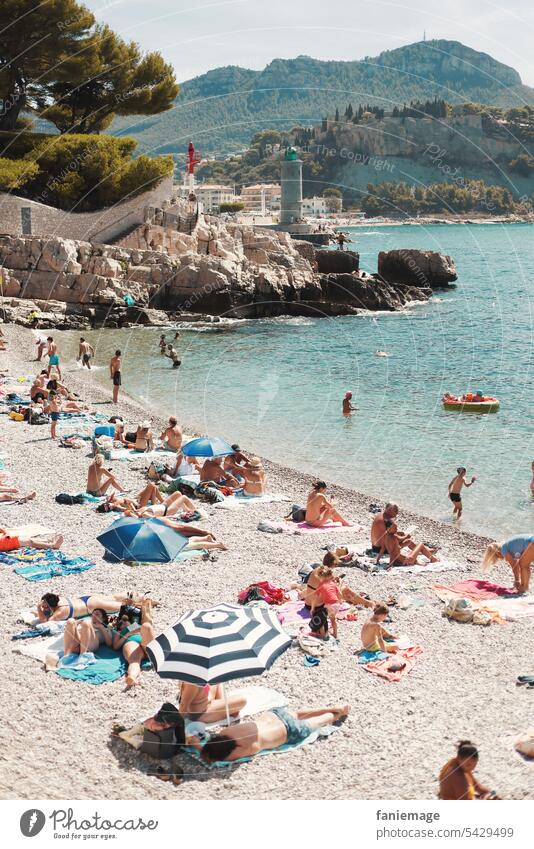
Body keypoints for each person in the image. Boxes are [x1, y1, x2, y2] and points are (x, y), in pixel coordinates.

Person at [195, 705, 350, 763]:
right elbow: (213, 746)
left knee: (318, 722)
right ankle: (333, 706)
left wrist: (196, 746)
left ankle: (336, 714)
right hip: (274, 715)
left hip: (289, 730)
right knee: (297, 713)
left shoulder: (240, 750)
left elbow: (213, 758)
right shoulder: (226, 731)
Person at [112, 599, 156, 688]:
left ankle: (155, 653)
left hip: (144, 641)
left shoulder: (135, 625)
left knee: (147, 626)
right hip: (131, 642)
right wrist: (127, 634)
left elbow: (147, 624)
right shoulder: (119, 632)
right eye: (120, 623)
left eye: (124, 620)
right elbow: (115, 646)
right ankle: (131, 677)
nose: (123, 623)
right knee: (134, 660)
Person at [37, 591, 153, 623]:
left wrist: (38, 609)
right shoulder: (58, 598)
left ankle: (148, 603)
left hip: (91, 606)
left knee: (122, 606)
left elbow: (44, 621)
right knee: (113, 597)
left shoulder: (60, 613)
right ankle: (140, 595)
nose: (43, 609)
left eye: (45, 607)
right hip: (88, 598)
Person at [178, 682, 247, 723]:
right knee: (243, 700)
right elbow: (183, 705)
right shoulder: (192, 682)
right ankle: (225, 711)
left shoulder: (193, 672)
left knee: (217, 681)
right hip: (201, 714)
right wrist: (176, 726)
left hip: (203, 703)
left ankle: (224, 709)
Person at [155, 516, 228, 551]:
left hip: (163, 538)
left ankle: (217, 545)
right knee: (187, 540)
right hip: (163, 535)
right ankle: (206, 538)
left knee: (187, 545)